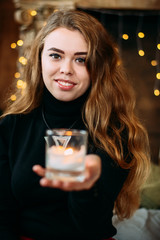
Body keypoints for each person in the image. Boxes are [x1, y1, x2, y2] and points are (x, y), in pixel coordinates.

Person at [0, 9, 150, 240]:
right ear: (39, 58)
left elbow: (91, 228)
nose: (66, 69)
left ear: (98, 67)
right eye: (55, 55)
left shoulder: (115, 133)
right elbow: (3, 217)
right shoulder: (10, 127)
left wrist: (86, 189)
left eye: (81, 59)